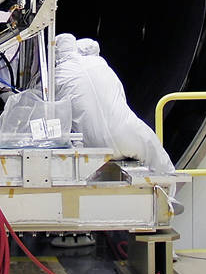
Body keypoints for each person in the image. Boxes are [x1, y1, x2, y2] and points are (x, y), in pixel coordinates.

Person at [54, 33, 174, 176]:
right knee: (163, 169)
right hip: (128, 133)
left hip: (93, 146)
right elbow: (120, 97)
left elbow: (56, 114)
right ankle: (168, 195)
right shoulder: (100, 65)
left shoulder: (58, 75)